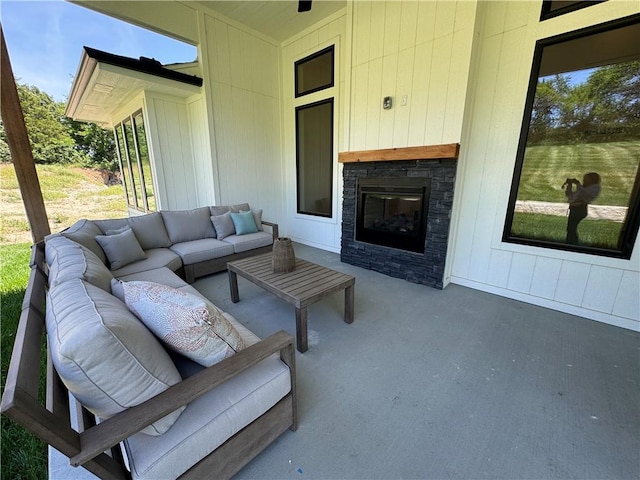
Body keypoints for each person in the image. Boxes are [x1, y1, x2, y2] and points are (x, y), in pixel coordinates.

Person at [563, 172, 601, 244]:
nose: (584, 181)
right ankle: (571, 243)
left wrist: (577, 183)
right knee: (570, 229)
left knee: (571, 229)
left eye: (586, 179)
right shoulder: (583, 188)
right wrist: (569, 185)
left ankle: (572, 244)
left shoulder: (595, 188)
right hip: (574, 209)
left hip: (579, 209)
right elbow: (570, 195)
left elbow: (585, 194)